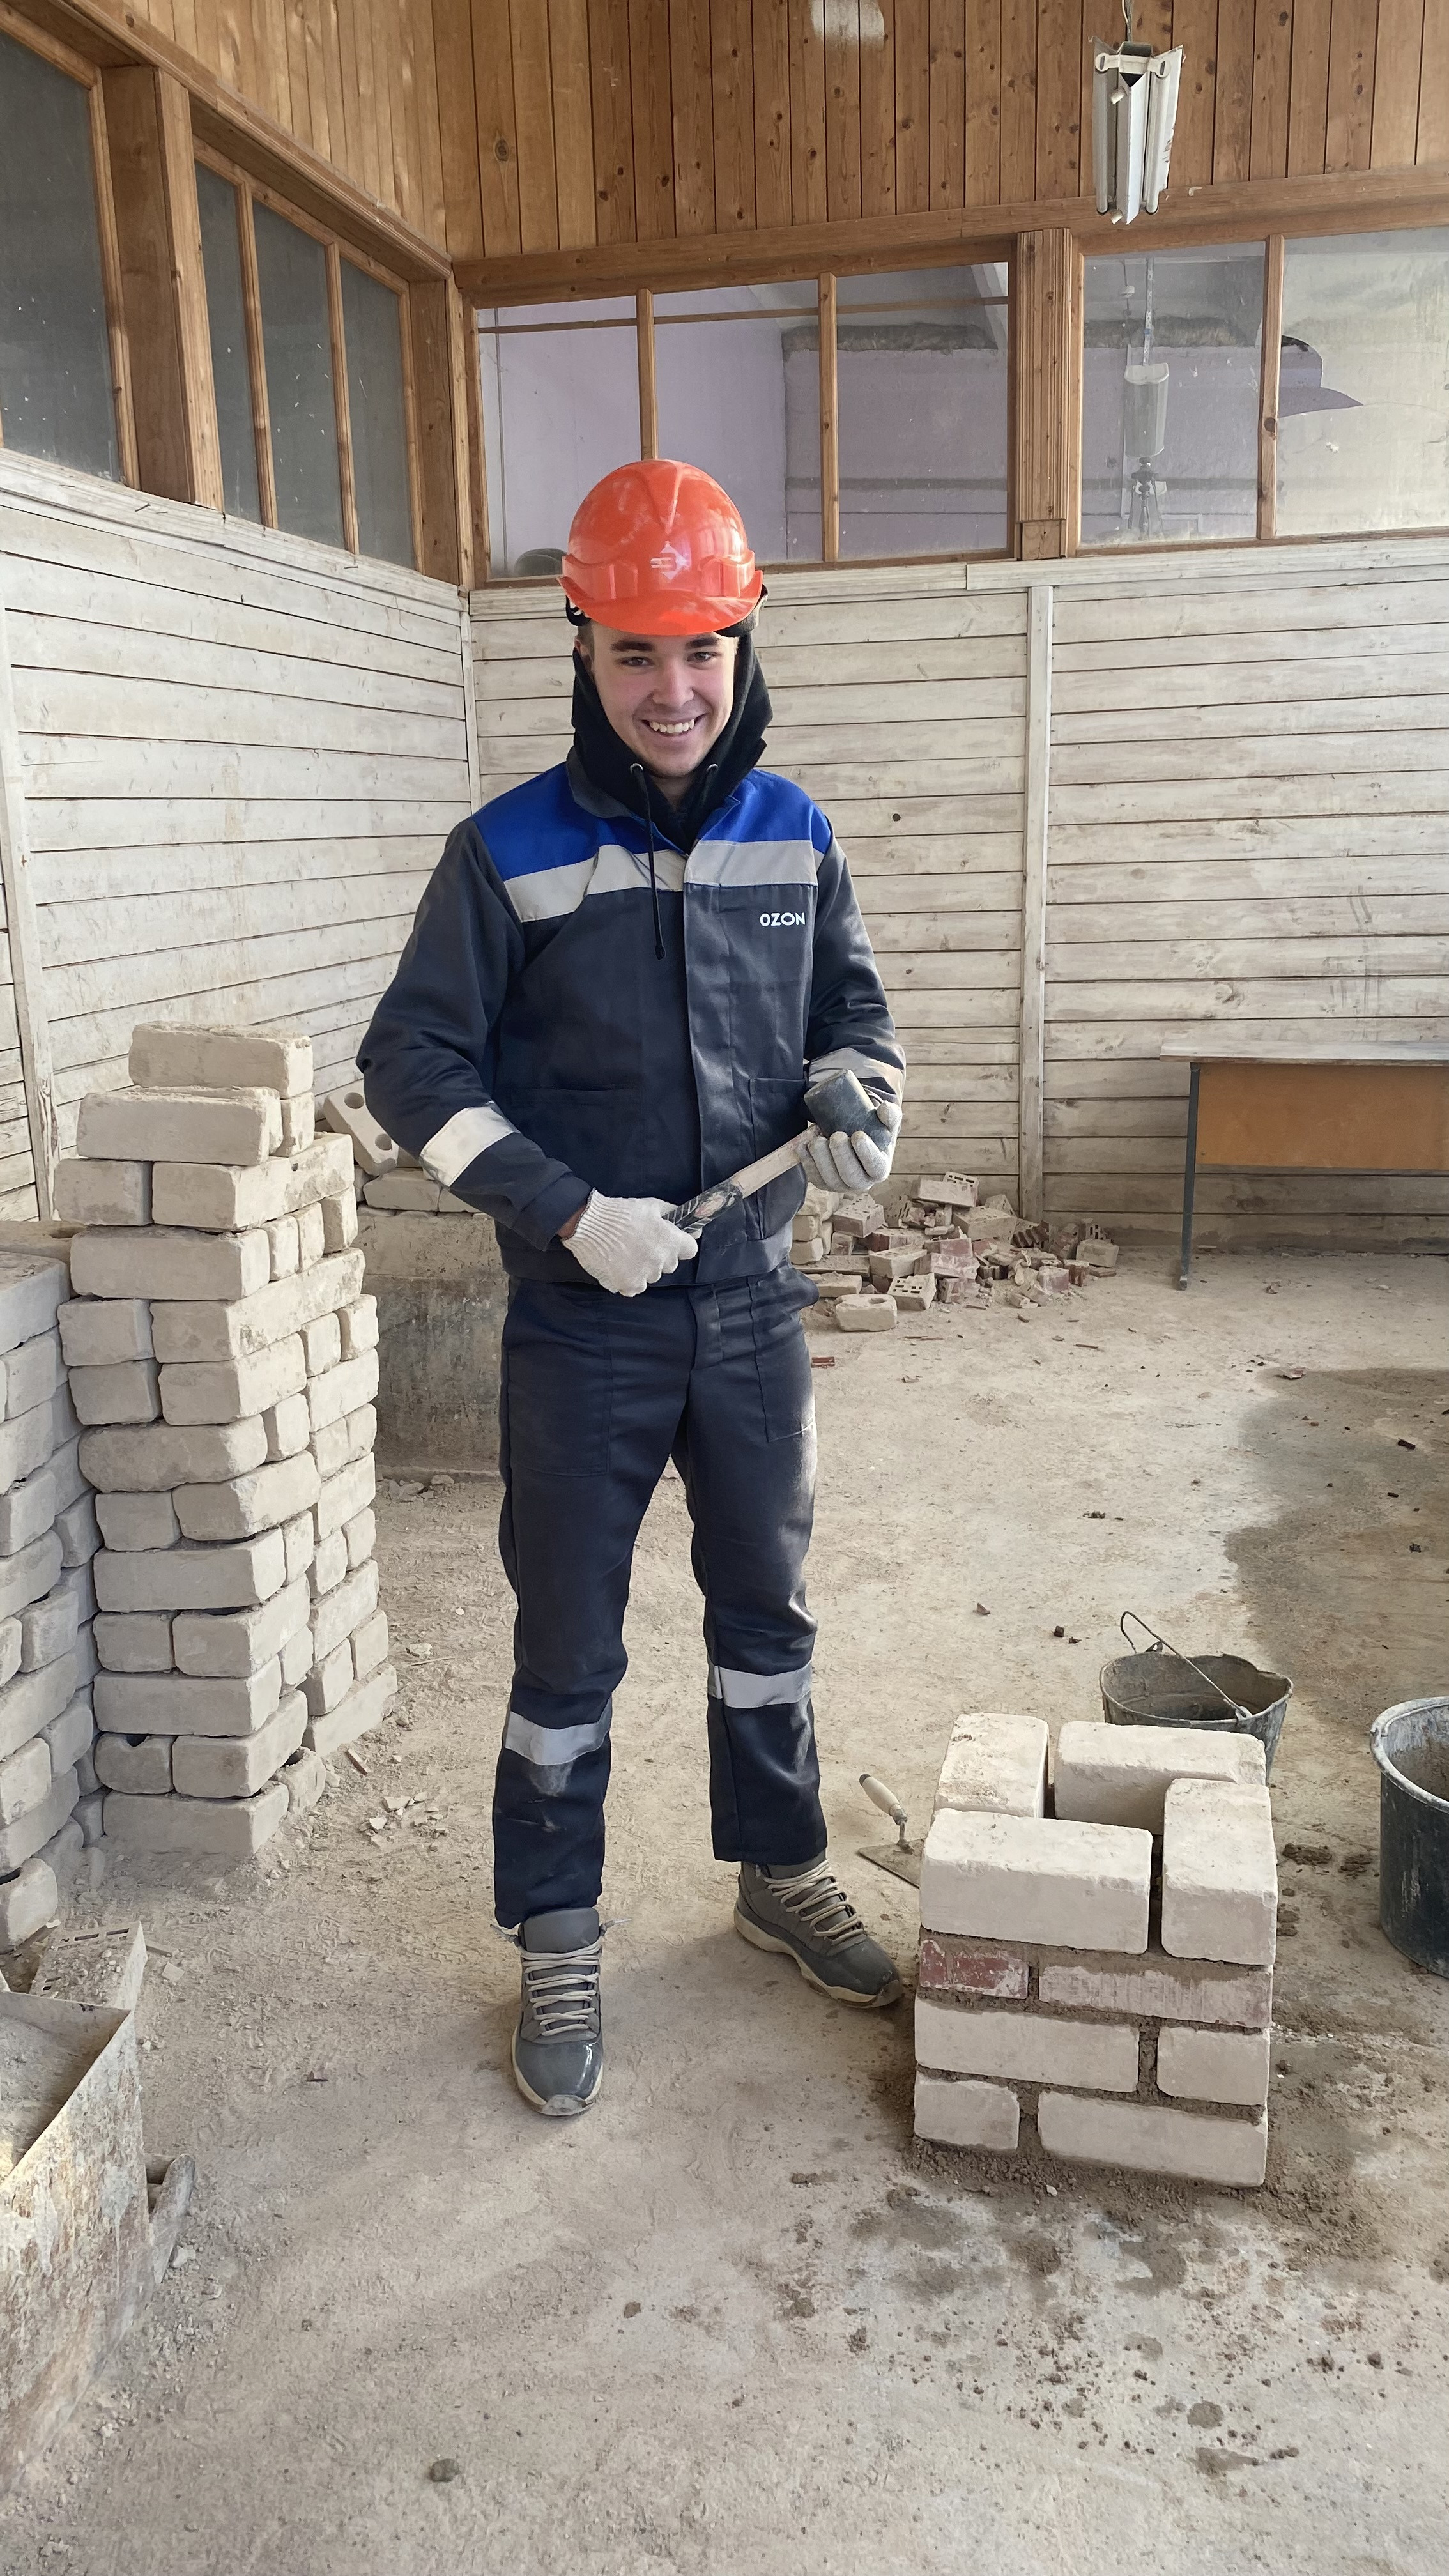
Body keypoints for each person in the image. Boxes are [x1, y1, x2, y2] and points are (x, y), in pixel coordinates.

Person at [359, 459, 907, 2120]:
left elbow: (855, 1016)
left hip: (747, 1308)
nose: (674, 692)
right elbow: (411, 1063)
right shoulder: (506, 852)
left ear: (744, 643)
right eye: (635, 654)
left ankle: (779, 1870)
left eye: (701, 651)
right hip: (582, 1322)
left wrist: (861, 1097)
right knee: (565, 1643)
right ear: (582, 648)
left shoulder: (796, 833)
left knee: (766, 1616)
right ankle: (556, 1930)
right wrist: (563, 1208)